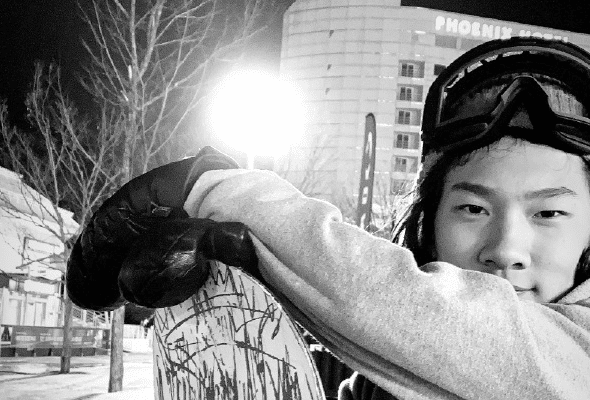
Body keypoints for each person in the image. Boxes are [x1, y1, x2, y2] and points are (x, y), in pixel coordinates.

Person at [67, 37, 590, 399]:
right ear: (430, 222)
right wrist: (273, 330)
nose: (505, 248)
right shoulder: (375, 389)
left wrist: (211, 189)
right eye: (473, 208)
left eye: (549, 212)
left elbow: (412, 309)